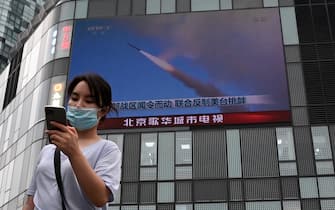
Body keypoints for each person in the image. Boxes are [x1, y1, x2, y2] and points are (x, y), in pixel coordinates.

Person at [22, 73, 122, 210]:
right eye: (74, 98)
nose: (79, 105)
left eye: (88, 101)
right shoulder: (48, 150)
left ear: (103, 110)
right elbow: (30, 202)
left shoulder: (107, 149)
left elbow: (100, 198)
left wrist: (74, 153)